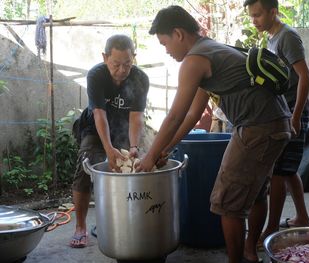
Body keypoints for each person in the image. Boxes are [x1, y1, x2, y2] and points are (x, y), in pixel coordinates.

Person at [135, 5, 292, 263]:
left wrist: (149, 157)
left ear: (178, 33)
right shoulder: (211, 49)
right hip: (275, 124)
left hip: (257, 127)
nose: (166, 50)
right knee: (253, 194)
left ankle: (238, 259)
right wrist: (165, 150)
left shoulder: (194, 60)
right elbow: (191, 115)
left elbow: (174, 116)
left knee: (226, 203)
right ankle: (250, 253)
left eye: (165, 43)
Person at [243, 0, 309, 259]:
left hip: (294, 111)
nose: (254, 20)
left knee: (279, 172)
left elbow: (305, 76)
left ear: (273, 12)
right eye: (251, 16)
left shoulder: (287, 37)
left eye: (258, 14)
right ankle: (302, 217)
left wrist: (295, 117)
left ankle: (271, 229)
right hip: (286, 110)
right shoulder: (272, 38)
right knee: (289, 168)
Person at [70, 34, 149, 248]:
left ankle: (123, 221)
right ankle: (80, 227)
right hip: (95, 128)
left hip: (123, 127)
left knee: (130, 171)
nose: (122, 70)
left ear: (134, 57)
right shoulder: (96, 75)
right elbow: (99, 115)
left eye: (127, 64)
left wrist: (133, 146)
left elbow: (136, 117)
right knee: (85, 169)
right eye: (116, 64)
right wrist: (109, 149)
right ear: (105, 57)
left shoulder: (140, 78)